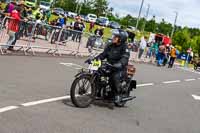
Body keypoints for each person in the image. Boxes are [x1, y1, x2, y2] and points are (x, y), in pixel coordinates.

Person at [90, 29, 130, 103]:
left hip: (119, 68)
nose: (113, 37)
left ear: (121, 39)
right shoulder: (110, 45)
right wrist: (94, 59)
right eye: (114, 36)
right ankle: (97, 91)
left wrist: (120, 64)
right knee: (98, 73)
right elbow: (103, 54)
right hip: (109, 66)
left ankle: (118, 94)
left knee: (114, 77)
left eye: (116, 36)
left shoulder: (125, 47)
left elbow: (125, 57)